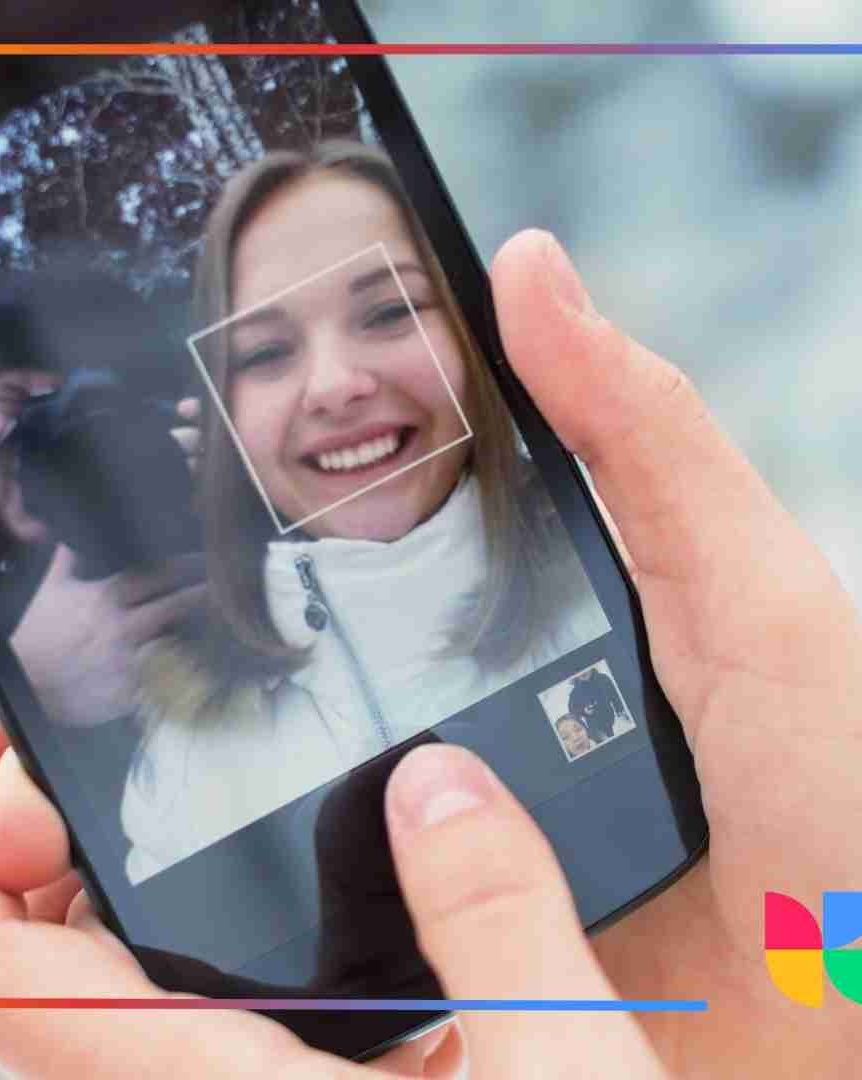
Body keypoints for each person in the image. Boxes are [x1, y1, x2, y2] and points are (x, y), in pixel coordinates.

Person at [0, 231, 862, 1077]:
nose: (90, 463)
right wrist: (86, 715)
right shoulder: (101, 691)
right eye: (24, 450)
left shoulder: (374, 539)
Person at [116, 142, 608, 882]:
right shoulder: (185, 754)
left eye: (387, 311)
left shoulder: (625, 563)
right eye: (264, 354)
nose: (336, 385)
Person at [0, 273, 208, 731]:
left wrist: (230, 499)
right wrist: (27, 695)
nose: (47, 433)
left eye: (84, 409)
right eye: (13, 400)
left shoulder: (203, 504)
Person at [565, 666, 624, 745]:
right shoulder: (575, 693)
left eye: (585, 669)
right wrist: (583, 711)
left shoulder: (603, 679)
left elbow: (614, 695)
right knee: (602, 742)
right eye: (578, 672)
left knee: (611, 738)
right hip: (594, 725)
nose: (582, 673)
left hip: (608, 718)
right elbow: (572, 711)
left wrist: (619, 709)